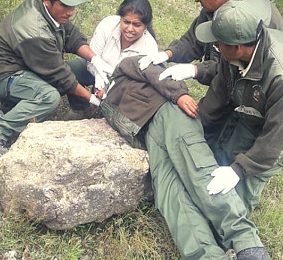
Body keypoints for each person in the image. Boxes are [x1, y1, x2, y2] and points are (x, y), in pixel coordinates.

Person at [182, 0, 283, 259]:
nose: (214, 47)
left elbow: (275, 139)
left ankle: (233, 239)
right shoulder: (233, 55)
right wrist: (195, 131)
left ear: (237, 46)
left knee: (245, 181)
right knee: (221, 153)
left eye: (218, 43)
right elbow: (218, 94)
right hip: (257, 102)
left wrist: (240, 170)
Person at [102, 55, 265, 259]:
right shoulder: (105, 100)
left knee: (199, 173)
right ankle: (207, 255)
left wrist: (178, 94)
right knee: (170, 195)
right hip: (149, 135)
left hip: (170, 114)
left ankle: (247, 244)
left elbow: (154, 69)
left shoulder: (124, 66)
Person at [0, 0, 110, 157]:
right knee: (49, 97)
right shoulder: (34, 29)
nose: (71, 11)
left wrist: (95, 60)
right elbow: (59, 74)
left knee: (82, 67)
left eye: (73, 5)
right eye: (65, 5)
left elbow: (71, 35)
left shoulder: (50, 11)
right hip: (0, 75)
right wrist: (93, 99)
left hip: (26, 67)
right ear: (47, 0)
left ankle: (13, 104)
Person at [139, 0, 283, 86]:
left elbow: (231, 69)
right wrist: (168, 53)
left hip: (260, 78)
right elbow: (194, 40)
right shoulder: (217, 3)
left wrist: (196, 70)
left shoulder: (247, 20)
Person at [67, 0, 157, 103]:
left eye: (136, 25)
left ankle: (106, 113)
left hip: (123, 86)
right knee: (70, 69)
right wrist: (98, 78)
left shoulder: (150, 49)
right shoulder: (107, 25)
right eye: (126, 22)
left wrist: (107, 86)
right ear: (120, 18)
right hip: (96, 69)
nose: (129, 29)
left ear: (145, 26)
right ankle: (79, 107)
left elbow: (135, 84)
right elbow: (92, 58)